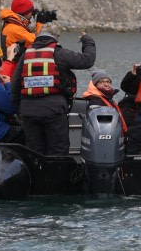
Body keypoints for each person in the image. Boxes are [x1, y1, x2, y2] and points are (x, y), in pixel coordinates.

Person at [10, 27, 96, 155]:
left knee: (34, 152)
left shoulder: (26, 55)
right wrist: (87, 41)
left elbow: (15, 85)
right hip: (54, 111)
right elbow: (87, 60)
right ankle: (56, 174)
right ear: (56, 38)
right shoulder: (59, 53)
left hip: (29, 112)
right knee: (58, 150)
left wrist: (19, 108)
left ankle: (37, 174)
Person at [81, 69, 127, 133]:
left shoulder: (108, 99)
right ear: (95, 85)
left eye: (108, 82)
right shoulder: (95, 102)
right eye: (101, 82)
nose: (106, 84)